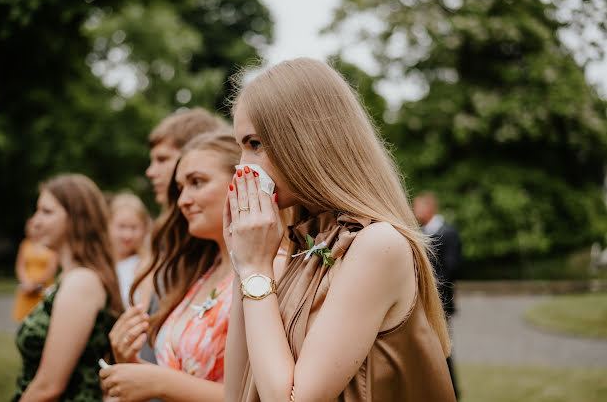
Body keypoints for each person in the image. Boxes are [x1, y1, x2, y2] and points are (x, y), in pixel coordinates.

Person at [223, 58, 455, 401]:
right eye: (241, 147)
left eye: (255, 144)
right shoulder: (295, 248)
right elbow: (239, 391)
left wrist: (256, 271)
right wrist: (244, 263)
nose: (243, 166)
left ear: (305, 140)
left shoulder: (377, 245)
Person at [99, 130, 243, 401]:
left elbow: (260, 394)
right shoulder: (203, 271)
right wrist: (130, 363)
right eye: (180, 188)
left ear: (241, 179)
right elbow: (177, 380)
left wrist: (159, 382)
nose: (183, 200)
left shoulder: (269, 269)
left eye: (197, 182)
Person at [12, 174, 123, 401]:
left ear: (75, 218)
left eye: (46, 212)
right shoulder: (70, 277)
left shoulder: (81, 282)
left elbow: (49, 386)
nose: (35, 221)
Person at [413, 191, 462, 398]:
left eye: (418, 206)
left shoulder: (448, 232)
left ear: (429, 207)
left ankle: (451, 392)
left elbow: (452, 267)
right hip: (421, 302)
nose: (414, 210)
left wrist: (429, 282)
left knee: (443, 348)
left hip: (440, 300)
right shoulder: (420, 232)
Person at [108, 192, 151, 308]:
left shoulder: (145, 265)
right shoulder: (101, 261)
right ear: (109, 225)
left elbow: (143, 307)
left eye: (134, 228)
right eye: (121, 226)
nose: (127, 235)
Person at [12, 218, 59, 321]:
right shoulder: (25, 244)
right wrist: (26, 283)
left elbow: (51, 269)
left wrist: (35, 284)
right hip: (26, 288)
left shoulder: (52, 245)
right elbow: (20, 266)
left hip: (44, 288)